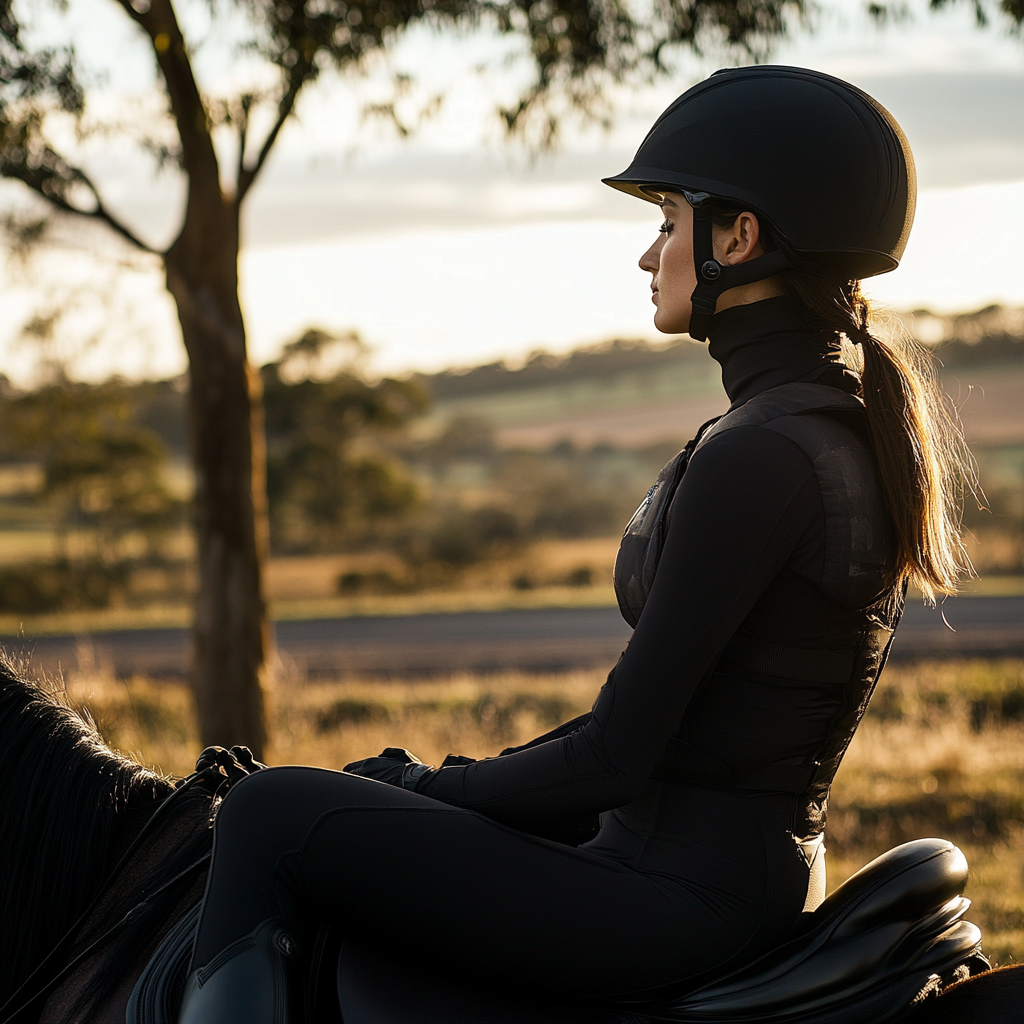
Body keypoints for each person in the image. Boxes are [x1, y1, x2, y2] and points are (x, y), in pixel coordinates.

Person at [177, 66, 971, 1023]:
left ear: (739, 237)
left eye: (669, 224)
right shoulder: (825, 427)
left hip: (672, 900)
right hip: (729, 875)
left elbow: (614, 761)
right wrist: (445, 790)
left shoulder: (763, 454)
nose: (649, 256)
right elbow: (650, 733)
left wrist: (432, 785)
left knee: (268, 812)